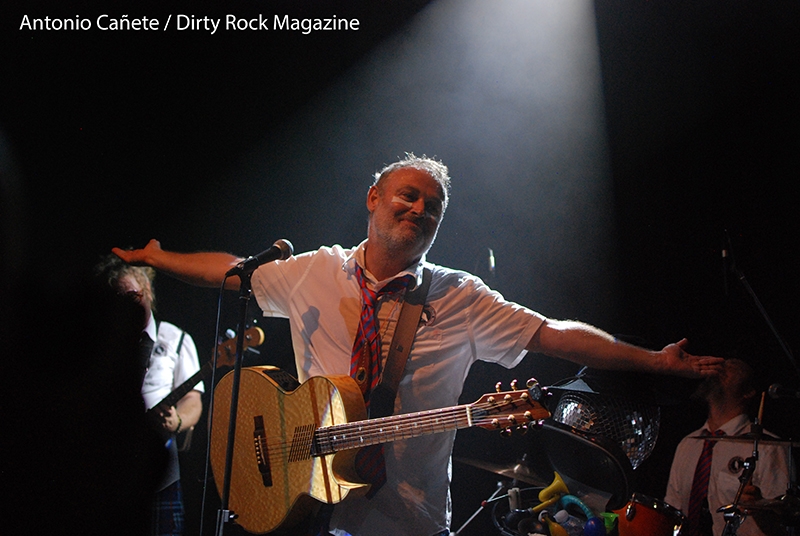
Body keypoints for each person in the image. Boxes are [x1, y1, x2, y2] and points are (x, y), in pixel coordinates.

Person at [113, 153, 724, 536]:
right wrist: (158, 259)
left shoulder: (460, 295)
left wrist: (652, 360)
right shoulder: (312, 271)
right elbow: (231, 272)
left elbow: (555, 336)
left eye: (434, 207)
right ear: (374, 198)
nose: (421, 208)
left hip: (407, 517)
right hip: (296, 500)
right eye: (409, 194)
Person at [95, 255, 205, 536]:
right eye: (119, 298)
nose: (128, 305)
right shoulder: (102, 342)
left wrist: (178, 421)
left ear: (147, 290)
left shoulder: (175, 339)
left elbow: (193, 400)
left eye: (133, 295)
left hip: (160, 478)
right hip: (105, 471)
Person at [665, 358, 793, 536]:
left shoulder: (767, 447)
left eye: (730, 367)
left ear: (748, 391)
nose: (720, 369)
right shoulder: (689, 444)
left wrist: (759, 507)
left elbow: (783, 524)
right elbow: (671, 512)